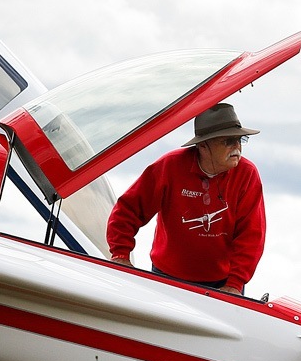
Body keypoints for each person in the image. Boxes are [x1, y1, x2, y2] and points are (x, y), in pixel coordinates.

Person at [106, 102, 265, 296]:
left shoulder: (248, 174)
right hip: (166, 278)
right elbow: (128, 210)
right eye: (228, 141)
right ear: (203, 146)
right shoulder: (169, 166)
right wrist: (121, 254)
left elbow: (251, 235)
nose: (237, 147)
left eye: (241, 140)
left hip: (222, 285)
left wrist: (235, 284)